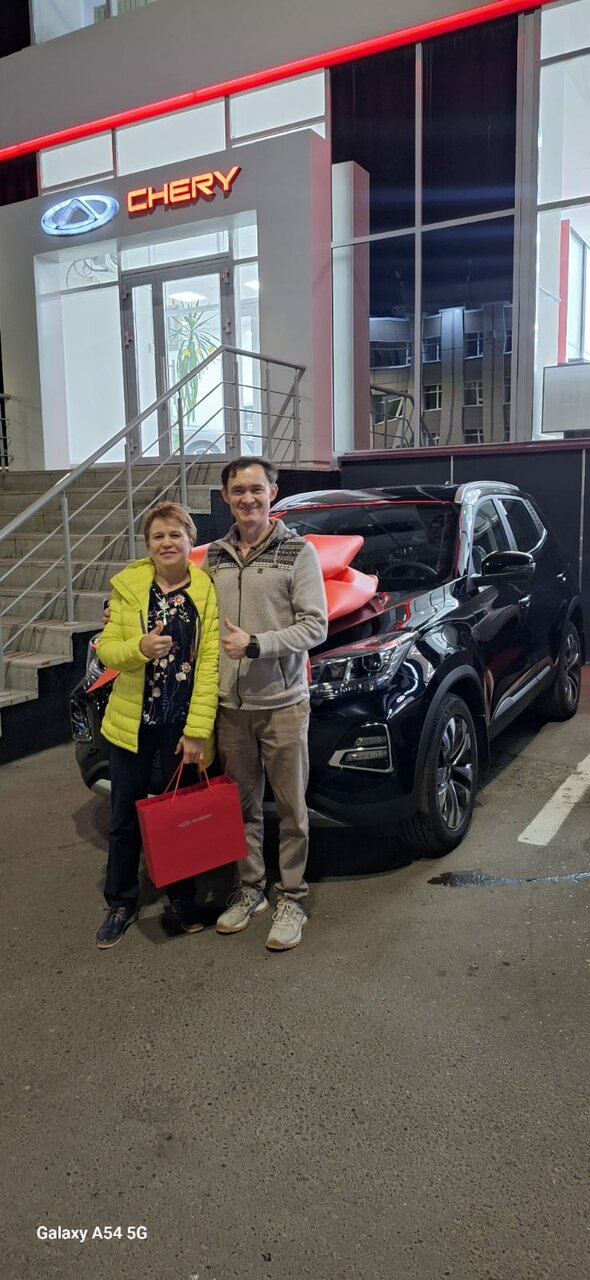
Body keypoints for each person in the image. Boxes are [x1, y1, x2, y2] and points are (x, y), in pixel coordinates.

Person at [203, 457, 328, 951]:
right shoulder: (214, 556)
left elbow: (315, 626)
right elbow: (183, 602)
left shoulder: (298, 552)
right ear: (225, 497)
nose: (247, 498)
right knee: (241, 807)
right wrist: (123, 609)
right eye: (238, 490)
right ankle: (250, 889)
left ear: (272, 493)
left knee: (292, 808)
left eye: (256, 489)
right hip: (231, 707)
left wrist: (257, 644)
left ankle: (291, 897)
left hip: (282, 704)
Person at [95, 501, 219, 949]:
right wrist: (139, 648)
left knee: (179, 816)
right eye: (157, 536)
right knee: (123, 817)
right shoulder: (129, 587)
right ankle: (121, 902)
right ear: (147, 544)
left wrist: (197, 730)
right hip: (133, 723)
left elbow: (209, 665)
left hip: (180, 728)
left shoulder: (205, 591)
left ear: (190, 540)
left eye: (175, 534)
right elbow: (105, 649)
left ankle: (182, 898)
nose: (167, 543)